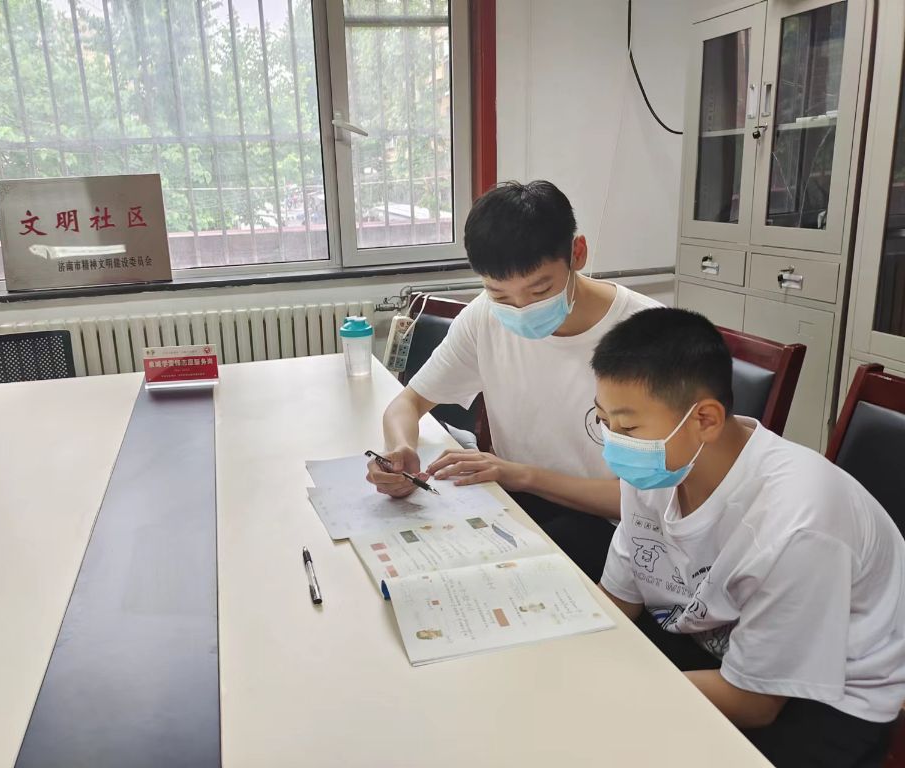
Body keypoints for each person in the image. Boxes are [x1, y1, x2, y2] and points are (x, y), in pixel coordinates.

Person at [591, 307, 905, 767]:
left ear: (705, 420)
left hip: (825, 697)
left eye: (628, 427)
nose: (613, 442)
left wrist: (612, 690)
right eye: (604, 421)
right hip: (716, 644)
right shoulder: (658, 470)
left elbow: (754, 704)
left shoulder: (797, 523)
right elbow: (618, 600)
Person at [365, 180, 659, 578]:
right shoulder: (484, 316)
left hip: (614, 530)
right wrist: (401, 449)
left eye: (540, 290)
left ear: (577, 253)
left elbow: (654, 504)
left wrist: (518, 474)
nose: (521, 309)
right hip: (518, 501)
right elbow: (408, 402)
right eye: (500, 294)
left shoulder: (647, 336)